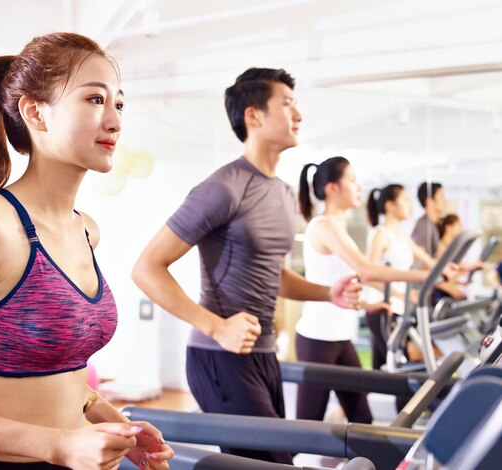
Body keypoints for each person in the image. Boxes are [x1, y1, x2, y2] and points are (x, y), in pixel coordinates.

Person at [0, 32, 173, 470]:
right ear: (35, 112)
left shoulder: (86, 230)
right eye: (95, 100)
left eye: (119, 104)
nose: (115, 120)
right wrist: (58, 445)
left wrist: (108, 418)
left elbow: (52, 369)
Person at [132, 68, 361, 464]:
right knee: (272, 462)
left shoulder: (285, 194)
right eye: (287, 103)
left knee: (271, 459)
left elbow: (275, 275)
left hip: (264, 353)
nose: (299, 115)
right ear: (253, 116)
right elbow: (147, 267)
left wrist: (327, 293)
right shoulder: (223, 188)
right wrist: (216, 326)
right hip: (219, 357)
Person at [296, 157, 456, 424]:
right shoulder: (322, 226)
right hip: (317, 338)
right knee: (307, 424)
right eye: (352, 180)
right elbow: (367, 270)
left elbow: (349, 278)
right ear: (332, 188)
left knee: (362, 419)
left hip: (341, 336)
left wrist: (368, 304)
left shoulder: (339, 229)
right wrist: (429, 276)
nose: (359, 186)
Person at [365, 184, 437, 369]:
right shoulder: (380, 235)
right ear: (390, 205)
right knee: (398, 366)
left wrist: (457, 268)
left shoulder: (402, 237)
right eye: (405, 199)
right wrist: (399, 294)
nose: (410, 205)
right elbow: (368, 276)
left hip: (399, 310)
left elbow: (430, 261)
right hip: (383, 309)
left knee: (388, 367)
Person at [411, 181, 448, 258]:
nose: (445, 201)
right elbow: (418, 261)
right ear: (429, 201)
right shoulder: (423, 225)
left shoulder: (433, 224)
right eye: (441, 196)